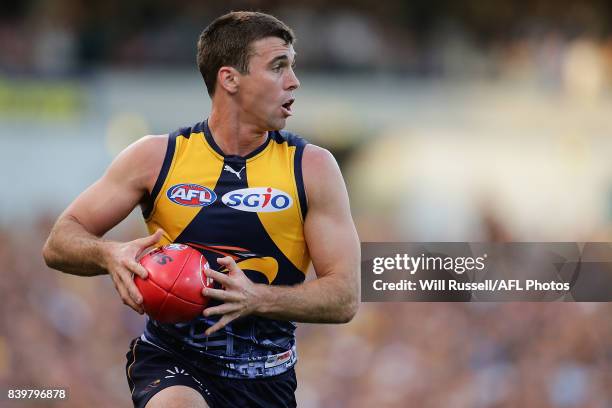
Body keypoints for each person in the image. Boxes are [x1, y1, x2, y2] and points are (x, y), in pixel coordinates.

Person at [43, 11, 360, 408]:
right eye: (278, 66)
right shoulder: (156, 157)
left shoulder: (313, 168)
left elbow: (345, 295)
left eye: (292, 67)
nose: (294, 81)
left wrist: (258, 298)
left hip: (267, 380)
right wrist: (108, 254)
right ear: (229, 79)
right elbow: (59, 241)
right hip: (173, 361)